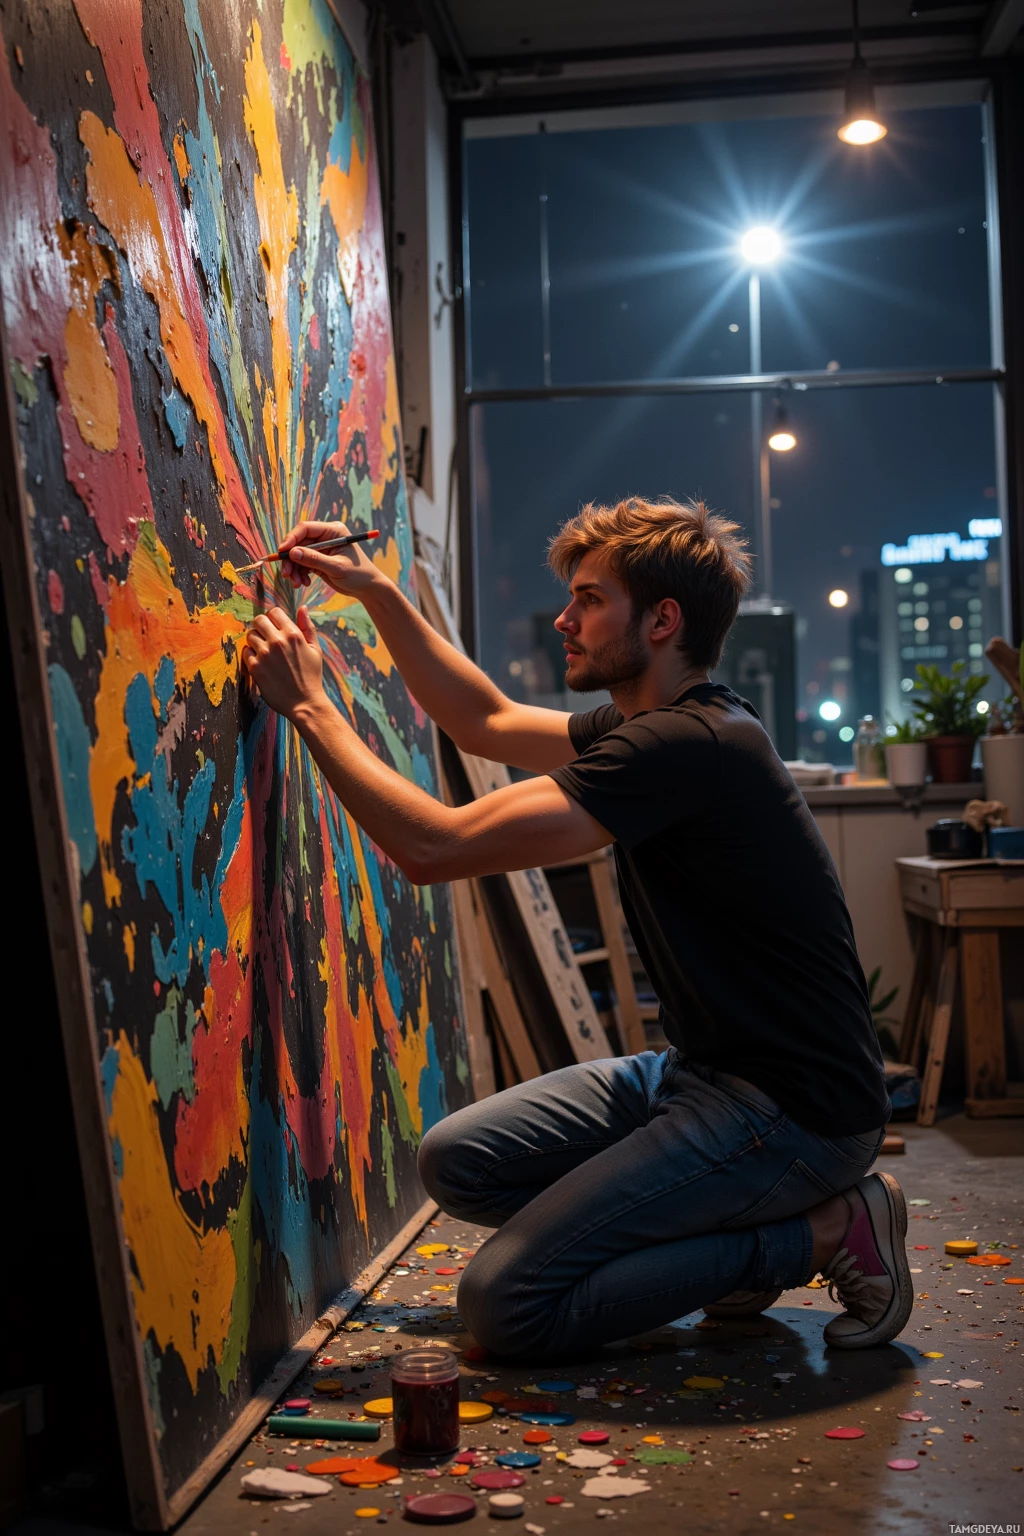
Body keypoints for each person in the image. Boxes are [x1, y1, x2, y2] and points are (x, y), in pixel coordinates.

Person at [242, 496, 911, 1361]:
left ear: (662, 621)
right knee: (459, 1162)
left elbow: (432, 846)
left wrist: (310, 707)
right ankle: (726, 1226)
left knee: (504, 1304)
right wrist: (373, 589)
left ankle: (824, 1231)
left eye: (590, 600)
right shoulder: (656, 723)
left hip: (794, 1112)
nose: (564, 617)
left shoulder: (685, 746)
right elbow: (482, 719)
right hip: (702, 1073)